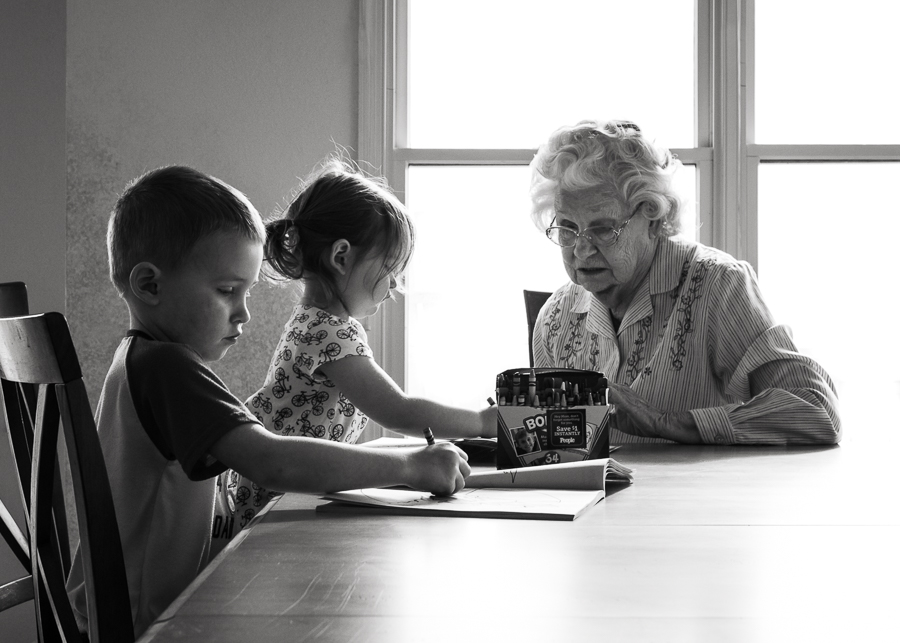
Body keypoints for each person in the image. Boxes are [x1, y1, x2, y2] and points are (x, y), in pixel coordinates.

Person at [66, 165, 471, 638]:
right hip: (147, 622)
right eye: (226, 291)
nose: (243, 312)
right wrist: (411, 468)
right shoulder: (167, 369)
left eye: (247, 290)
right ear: (149, 286)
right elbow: (272, 461)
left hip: (142, 604)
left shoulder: (142, 359)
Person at [529, 119, 841, 445]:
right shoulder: (556, 317)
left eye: (604, 229)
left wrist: (665, 424)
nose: (580, 249)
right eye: (567, 228)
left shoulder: (718, 286)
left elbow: (816, 410)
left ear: (653, 219)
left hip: (697, 496)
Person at [223, 156, 497, 527]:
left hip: (280, 492)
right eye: (389, 271)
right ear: (341, 257)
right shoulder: (331, 332)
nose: (394, 288)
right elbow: (397, 411)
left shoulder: (312, 322)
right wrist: (482, 422)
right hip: (281, 500)